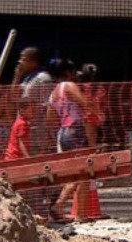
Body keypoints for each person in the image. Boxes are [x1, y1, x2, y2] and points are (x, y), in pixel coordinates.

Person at [46, 58, 96, 221]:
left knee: (78, 172)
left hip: (64, 132)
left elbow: (51, 121)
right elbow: (85, 103)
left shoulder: (53, 93)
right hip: (76, 131)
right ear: (68, 72)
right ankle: (62, 206)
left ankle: (75, 212)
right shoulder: (69, 86)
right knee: (83, 172)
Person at [0, 47, 53, 155]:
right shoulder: (27, 79)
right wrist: (17, 76)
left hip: (37, 131)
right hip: (23, 129)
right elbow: (14, 96)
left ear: (34, 62)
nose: (20, 62)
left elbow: (47, 106)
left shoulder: (43, 79)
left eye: (24, 59)